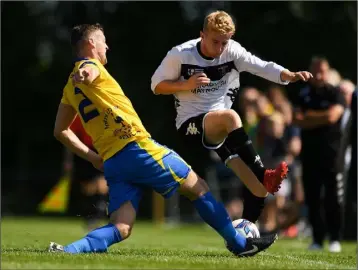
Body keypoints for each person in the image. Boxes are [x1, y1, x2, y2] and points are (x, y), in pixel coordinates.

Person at [49, 23, 277, 256]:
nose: (106, 45)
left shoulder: (69, 87)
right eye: (102, 40)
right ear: (91, 44)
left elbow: (60, 131)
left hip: (113, 161)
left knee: (122, 226)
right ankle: (240, 245)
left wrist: (93, 157)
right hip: (137, 149)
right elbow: (89, 71)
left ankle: (70, 250)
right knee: (197, 187)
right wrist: (85, 72)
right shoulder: (89, 67)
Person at [150, 10, 312, 224]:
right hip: (191, 125)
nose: (220, 49)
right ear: (202, 35)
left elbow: (261, 66)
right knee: (232, 117)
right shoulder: (181, 54)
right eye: (215, 42)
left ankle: (246, 235)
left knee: (259, 188)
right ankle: (264, 172)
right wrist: (185, 85)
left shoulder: (232, 52)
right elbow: (156, 86)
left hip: (222, 129)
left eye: (224, 43)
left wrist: (287, 75)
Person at [293, 56, 346, 252]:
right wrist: (321, 117)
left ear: (328, 71)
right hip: (309, 154)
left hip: (333, 154)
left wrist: (310, 117)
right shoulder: (303, 93)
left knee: (333, 197)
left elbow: (333, 116)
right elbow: (297, 119)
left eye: (322, 71)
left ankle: (334, 239)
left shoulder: (335, 93)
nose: (319, 75)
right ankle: (317, 239)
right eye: (315, 71)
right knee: (313, 198)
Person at [65, 115, 108, 230]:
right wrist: (68, 160)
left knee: (101, 182)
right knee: (87, 188)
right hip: (84, 152)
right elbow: (69, 136)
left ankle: (99, 213)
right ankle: (91, 214)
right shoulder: (78, 114)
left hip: (102, 150)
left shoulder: (106, 110)